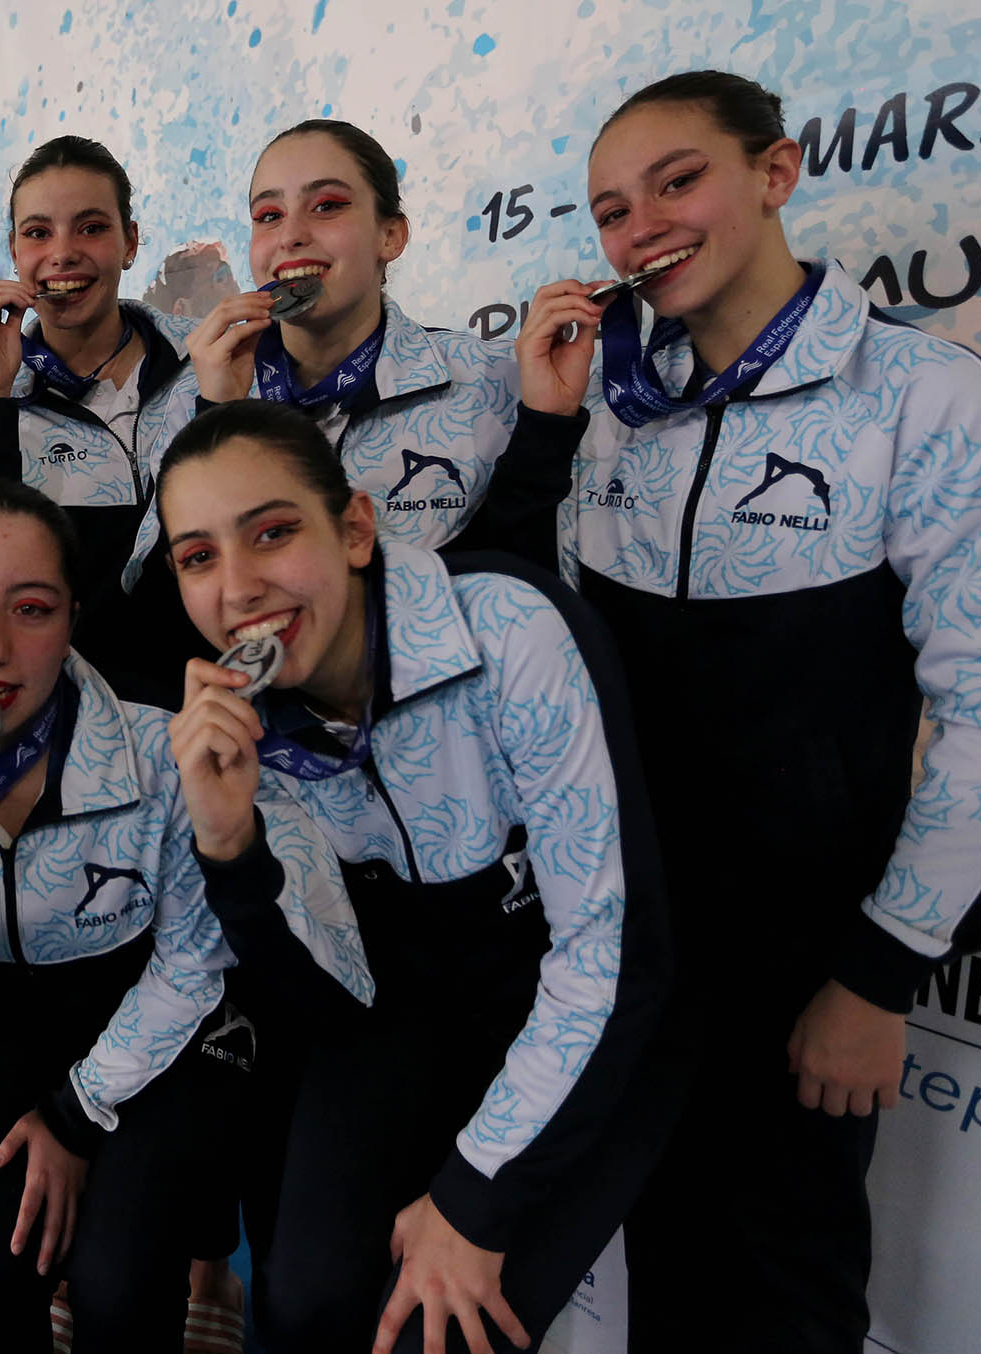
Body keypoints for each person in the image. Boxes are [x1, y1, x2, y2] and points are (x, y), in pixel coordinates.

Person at [551, 71, 981, 1351]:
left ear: (775, 171)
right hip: (631, 952)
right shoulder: (610, 412)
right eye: (611, 210)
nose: (640, 228)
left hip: (806, 968)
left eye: (676, 182)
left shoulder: (925, 395)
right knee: (661, 1282)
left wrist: (874, 975)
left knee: (783, 1298)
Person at [158, 400, 670, 1354]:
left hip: (593, 1014)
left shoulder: (511, 629)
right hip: (404, 1014)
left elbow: (610, 953)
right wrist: (230, 847)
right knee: (302, 1307)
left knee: (441, 1332)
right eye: (197, 557)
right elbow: (324, 1000)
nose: (238, 587)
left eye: (272, 533)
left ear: (355, 529)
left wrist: (474, 1196)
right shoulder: (238, 724)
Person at [0, 480, 304, 1352]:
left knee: (121, 1288)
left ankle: (195, 1261)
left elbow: (193, 964)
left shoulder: (158, 751)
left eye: (31, 609)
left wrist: (76, 1116)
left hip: (154, 1009)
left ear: (73, 618)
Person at [122, 118, 581, 602]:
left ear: (390, 236)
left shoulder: (490, 379)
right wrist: (220, 420)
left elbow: (531, 593)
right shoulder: (200, 395)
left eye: (327, 206)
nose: (290, 235)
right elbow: (160, 610)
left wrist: (546, 428)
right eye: (269, 215)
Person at [0, 136, 202, 697]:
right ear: (14, 251)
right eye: (37, 233)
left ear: (130, 242)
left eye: (91, 228)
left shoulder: (208, 364)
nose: (63, 253)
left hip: (205, 704)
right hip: (59, 711)